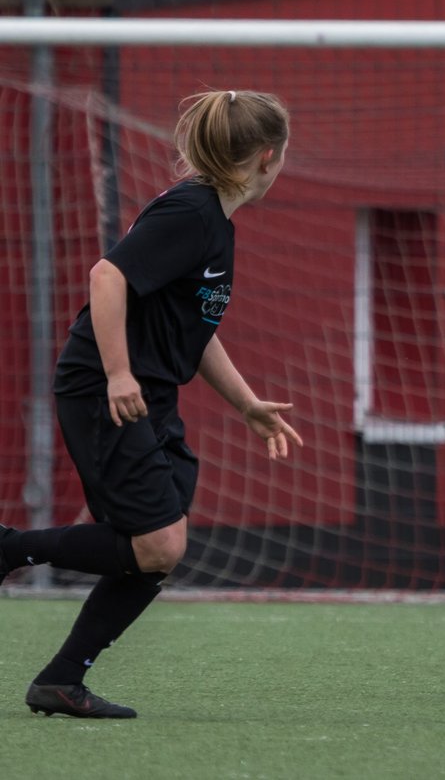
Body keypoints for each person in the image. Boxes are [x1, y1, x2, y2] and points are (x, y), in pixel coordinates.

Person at [0, 89, 302, 718]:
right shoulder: (191, 213)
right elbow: (106, 276)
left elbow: (192, 329)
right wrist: (117, 374)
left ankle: (61, 680)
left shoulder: (215, 221)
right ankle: (9, 549)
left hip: (152, 396)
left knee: (156, 547)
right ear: (268, 157)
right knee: (159, 544)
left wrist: (246, 403)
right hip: (104, 390)